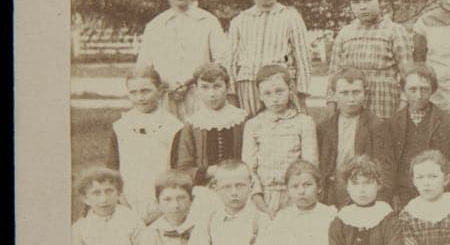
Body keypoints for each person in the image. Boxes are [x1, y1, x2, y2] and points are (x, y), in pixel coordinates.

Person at [136, 0, 229, 119]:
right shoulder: (155, 25)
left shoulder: (208, 22)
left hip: (201, 95)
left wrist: (189, 80)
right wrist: (166, 83)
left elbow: (221, 61)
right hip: (164, 97)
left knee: (198, 139)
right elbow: (145, 67)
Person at [227, 0, 313, 114]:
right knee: (252, 130)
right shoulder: (239, 21)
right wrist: (231, 93)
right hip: (248, 86)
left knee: (284, 130)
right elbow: (230, 61)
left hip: (280, 86)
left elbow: (303, 57)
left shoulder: (290, 17)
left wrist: (301, 93)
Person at [324, 0, 413, 120]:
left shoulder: (394, 31)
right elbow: (334, 76)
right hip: (352, 109)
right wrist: (331, 109)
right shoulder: (345, 34)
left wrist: (402, 108)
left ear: (380, 0)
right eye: (356, 2)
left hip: (385, 108)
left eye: (368, 0)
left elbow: (408, 76)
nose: (362, 7)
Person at [107, 66, 184, 222]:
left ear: (160, 91)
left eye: (145, 91)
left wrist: (161, 209)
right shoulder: (121, 126)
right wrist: (122, 202)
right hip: (125, 202)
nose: (140, 98)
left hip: (163, 205)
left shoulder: (173, 127)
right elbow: (112, 168)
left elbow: (178, 172)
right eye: (133, 92)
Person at [388, 64, 450, 206]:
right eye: (412, 89)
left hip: (441, 197)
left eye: (424, 89)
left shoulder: (448, 122)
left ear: (432, 90)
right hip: (404, 197)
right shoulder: (392, 124)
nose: (419, 95)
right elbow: (386, 166)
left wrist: (438, 180)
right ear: (403, 90)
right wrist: (393, 193)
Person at [242, 63, 319, 217]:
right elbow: (249, 169)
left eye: (279, 91)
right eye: (268, 94)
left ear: (290, 89)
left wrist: (297, 195)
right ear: (260, 95)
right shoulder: (253, 125)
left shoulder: (304, 123)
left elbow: (310, 166)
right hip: (263, 197)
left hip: (297, 195)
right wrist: (261, 204)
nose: (274, 99)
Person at [316, 67, 396, 208]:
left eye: (356, 92)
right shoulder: (325, 127)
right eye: (344, 93)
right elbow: (322, 166)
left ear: (365, 93)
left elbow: (385, 168)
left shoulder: (377, 126)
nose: (351, 99)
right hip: (334, 190)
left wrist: (381, 202)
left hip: (364, 188)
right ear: (333, 94)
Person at [172, 62, 247, 196]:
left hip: (238, 188)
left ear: (228, 87)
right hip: (204, 191)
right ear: (196, 89)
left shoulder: (241, 119)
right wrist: (207, 172)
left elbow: (250, 159)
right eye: (205, 87)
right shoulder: (192, 125)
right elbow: (183, 169)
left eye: (217, 86)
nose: (211, 94)